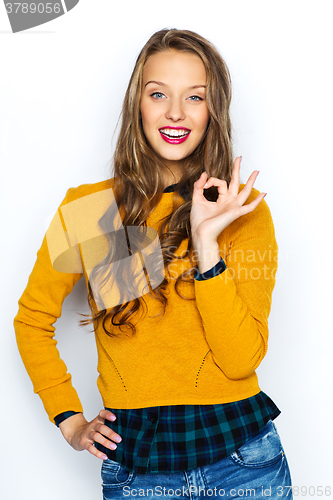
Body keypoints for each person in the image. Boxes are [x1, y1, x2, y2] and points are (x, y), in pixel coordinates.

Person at [14, 28, 293, 499]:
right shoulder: (89, 211)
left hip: (244, 462)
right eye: (158, 93)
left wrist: (207, 243)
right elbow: (32, 321)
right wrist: (69, 420)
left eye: (195, 97)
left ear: (213, 111)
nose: (176, 113)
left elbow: (241, 358)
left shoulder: (240, 209)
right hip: (137, 470)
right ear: (136, 104)